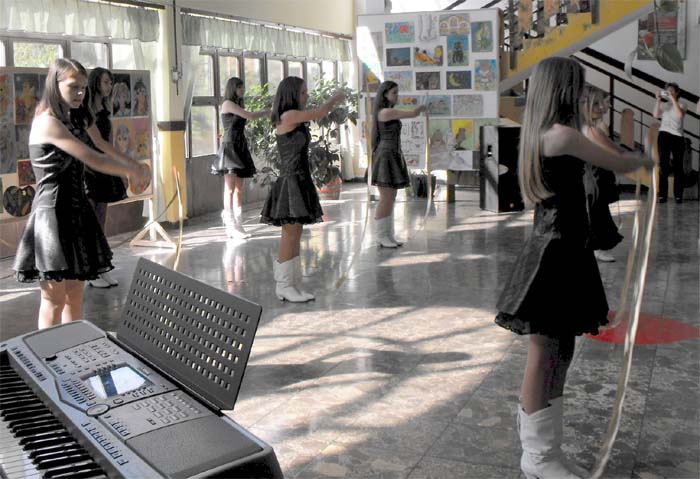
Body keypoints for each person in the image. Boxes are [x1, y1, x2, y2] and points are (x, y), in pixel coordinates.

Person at [494, 57, 653, 479]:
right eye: (579, 87)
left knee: (560, 351)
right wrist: (648, 158)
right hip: (555, 253)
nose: (584, 95)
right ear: (565, 90)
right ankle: (537, 457)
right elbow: (619, 163)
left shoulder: (548, 132)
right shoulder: (562, 135)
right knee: (544, 353)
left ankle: (547, 451)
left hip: (564, 249)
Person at [13, 58, 149, 330]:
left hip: (77, 210)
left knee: (75, 294)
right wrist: (131, 171)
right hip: (52, 215)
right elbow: (91, 157)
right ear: (55, 84)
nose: (80, 93)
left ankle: (71, 348)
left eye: (84, 88)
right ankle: (49, 351)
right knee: (54, 298)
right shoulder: (47, 122)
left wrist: (134, 165)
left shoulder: (76, 117)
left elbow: (101, 145)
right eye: (73, 86)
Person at [260, 76, 345, 302]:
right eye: (303, 92)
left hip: (300, 178)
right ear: (291, 94)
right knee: (289, 233)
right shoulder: (289, 115)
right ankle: (284, 285)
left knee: (295, 233)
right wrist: (334, 99)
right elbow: (321, 112)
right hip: (291, 181)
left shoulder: (293, 115)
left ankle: (293, 284)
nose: (307, 96)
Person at [83, 67, 138, 288]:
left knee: (101, 219)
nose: (109, 86)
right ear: (96, 83)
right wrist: (127, 167)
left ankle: (101, 266)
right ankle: (91, 270)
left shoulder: (105, 110)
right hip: (89, 168)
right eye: (106, 82)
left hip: (104, 168)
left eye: (110, 82)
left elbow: (110, 142)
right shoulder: (85, 111)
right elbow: (97, 142)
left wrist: (119, 169)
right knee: (90, 221)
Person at [371, 80, 427, 248]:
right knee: (386, 198)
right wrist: (422, 107)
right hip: (386, 155)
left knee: (391, 197)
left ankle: (388, 234)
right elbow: (413, 113)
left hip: (392, 154)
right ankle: (381, 235)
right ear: (385, 94)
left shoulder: (387, 111)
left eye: (397, 92)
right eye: (394, 92)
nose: (397, 95)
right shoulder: (385, 112)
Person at [212, 77, 269, 239]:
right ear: (233, 89)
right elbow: (250, 116)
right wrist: (267, 111)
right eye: (239, 88)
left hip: (240, 146)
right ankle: (230, 223)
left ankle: (238, 223)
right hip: (230, 147)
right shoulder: (227, 104)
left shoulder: (237, 104)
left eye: (243, 87)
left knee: (239, 189)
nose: (242, 90)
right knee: (229, 188)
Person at [581, 86, 624, 263]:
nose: (603, 107)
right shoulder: (592, 128)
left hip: (594, 171)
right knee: (596, 211)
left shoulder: (591, 126)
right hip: (592, 173)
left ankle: (597, 246)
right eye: (597, 104)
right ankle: (596, 246)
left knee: (597, 210)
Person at [653, 82, 686, 203]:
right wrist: (658, 100)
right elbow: (655, 115)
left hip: (678, 137)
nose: (669, 93)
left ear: (677, 93)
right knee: (663, 165)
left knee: (678, 166)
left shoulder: (682, 104)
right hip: (664, 135)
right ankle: (663, 195)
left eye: (671, 91)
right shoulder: (664, 105)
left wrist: (673, 99)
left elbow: (680, 114)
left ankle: (678, 195)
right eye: (667, 91)